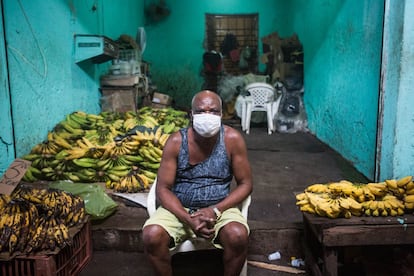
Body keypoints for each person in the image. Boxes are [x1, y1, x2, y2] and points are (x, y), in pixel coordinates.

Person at [142, 90, 253, 276]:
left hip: (220, 208)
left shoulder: (232, 140)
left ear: (221, 115)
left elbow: (246, 183)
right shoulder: (177, 141)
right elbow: (162, 188)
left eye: (214, 111)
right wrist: (188, 218)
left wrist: (215, 210)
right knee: (151, 236)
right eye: (201, 111)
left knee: (238, 235)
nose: (207, 116)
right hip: (180, 209)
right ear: (191, 115)